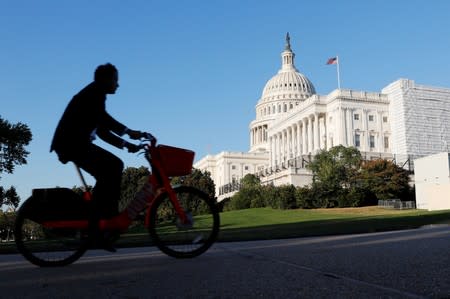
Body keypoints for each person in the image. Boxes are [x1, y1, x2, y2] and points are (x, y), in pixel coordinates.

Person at [51, 63, 148, 251]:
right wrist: (128, 132)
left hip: (75, 144)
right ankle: (98, 225)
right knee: (111, 169)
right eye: (115, 80)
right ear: (105, 80)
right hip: (71, 145)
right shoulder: (93, 95)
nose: (117, 85)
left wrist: (128, 144)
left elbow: (103, 131)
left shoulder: (95, 94)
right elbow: (104, 121)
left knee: (113, 166)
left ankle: (106, 218)